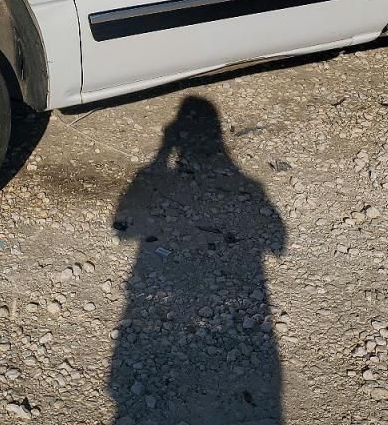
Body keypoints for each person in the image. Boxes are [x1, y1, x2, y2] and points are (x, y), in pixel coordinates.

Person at [109, 96, 286, 424]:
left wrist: (161, 155)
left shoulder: (245, 187)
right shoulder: (252, 187)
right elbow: (278, 243)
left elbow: (121, 231)